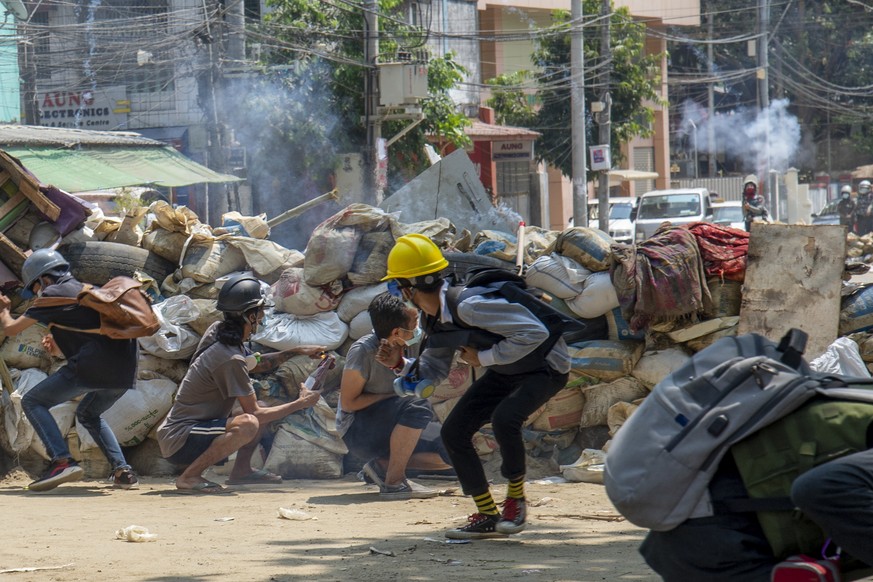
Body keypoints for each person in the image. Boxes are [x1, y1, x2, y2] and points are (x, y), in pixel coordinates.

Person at [378, 234, 570, 539]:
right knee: (454, 432)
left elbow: (534, 333)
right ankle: (486, 514)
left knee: (505, 418)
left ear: (411, 287)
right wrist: (399, 366)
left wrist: (482, 357)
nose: (399, 296)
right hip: (507, 370)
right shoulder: (436, 319)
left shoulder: (469, 306)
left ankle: (515, 502)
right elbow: (434, 370)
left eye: (395, 287)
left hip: (545, 368)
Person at [156, 274, 325, 494]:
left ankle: (242, 470)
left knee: (262, 409)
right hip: (181, 438)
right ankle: (189, 477)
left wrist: (296, 351)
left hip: (191, 429)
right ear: (249, 316)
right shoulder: (229, 358)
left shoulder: (220, 333)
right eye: (260, 311)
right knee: (249, 422)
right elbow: (253, 413)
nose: (263, 316)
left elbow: (254, 363)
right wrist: (300, 403)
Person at [0, 248, 139, 492]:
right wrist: (57, 348)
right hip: (125, 369)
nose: (35, 293)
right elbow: (92, 337)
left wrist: (4, 309)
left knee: (32, 401)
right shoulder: (87, 290)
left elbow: (11, 329)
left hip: (94, 368)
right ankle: (122, 471)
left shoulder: (52, 293)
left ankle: (61, 461)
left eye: (34, 287)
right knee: (88, 414)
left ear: (44, 279)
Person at [339, 292, 453, 500]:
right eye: (415, 321)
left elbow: (427, 378)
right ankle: (394, 483)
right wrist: (393, 394)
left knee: (452, 447)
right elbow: (348, 402)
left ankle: (380, 467)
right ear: (397, 331)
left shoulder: (416, 344)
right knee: (417, 404)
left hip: (401, 419)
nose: (419, 326)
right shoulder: (363, 351)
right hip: (360, 430)